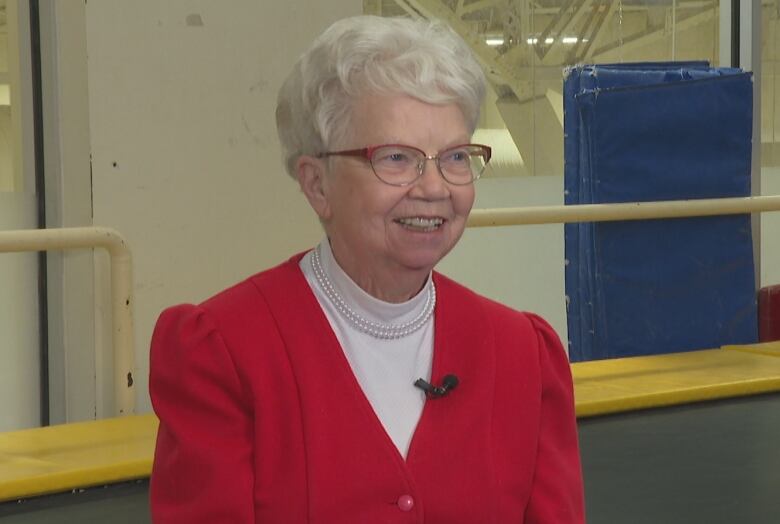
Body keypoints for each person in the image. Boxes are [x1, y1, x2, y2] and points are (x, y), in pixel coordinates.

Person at [149, 15, 584, 523]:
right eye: (396, 158)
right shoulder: (223, 354)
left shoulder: (523, 355)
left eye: (456, 156)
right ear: (317, 184)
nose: (434, 187)